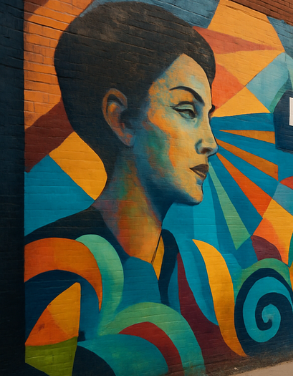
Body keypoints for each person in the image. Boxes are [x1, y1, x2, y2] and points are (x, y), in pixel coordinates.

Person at [24, 2, 223, 374]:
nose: (211, 142)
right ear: (121, 120)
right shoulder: (56, 263)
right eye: (187, 110)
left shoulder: (186, 263)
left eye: (207, 116)